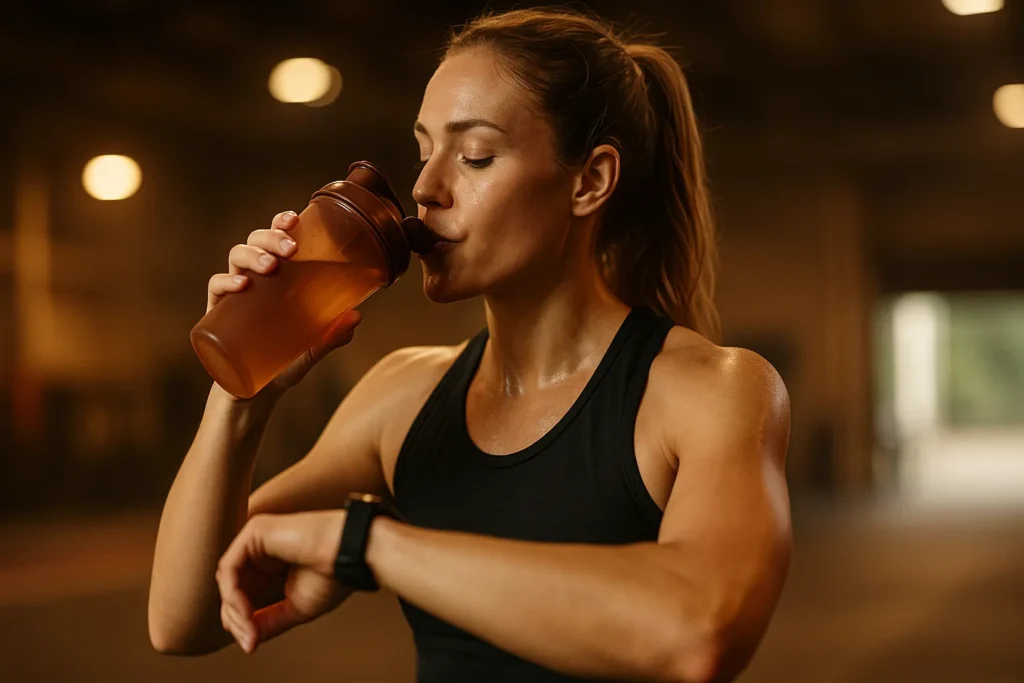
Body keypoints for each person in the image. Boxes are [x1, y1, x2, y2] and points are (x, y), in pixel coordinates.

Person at [148, 7, 792, 683]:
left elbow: (699, 632)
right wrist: (242, 392)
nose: (425, 188)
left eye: (475, 155)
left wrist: (371, 545)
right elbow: (182, 618)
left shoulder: (711, 391)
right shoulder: (403, 395)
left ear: (590, 181)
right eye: (425, 149)